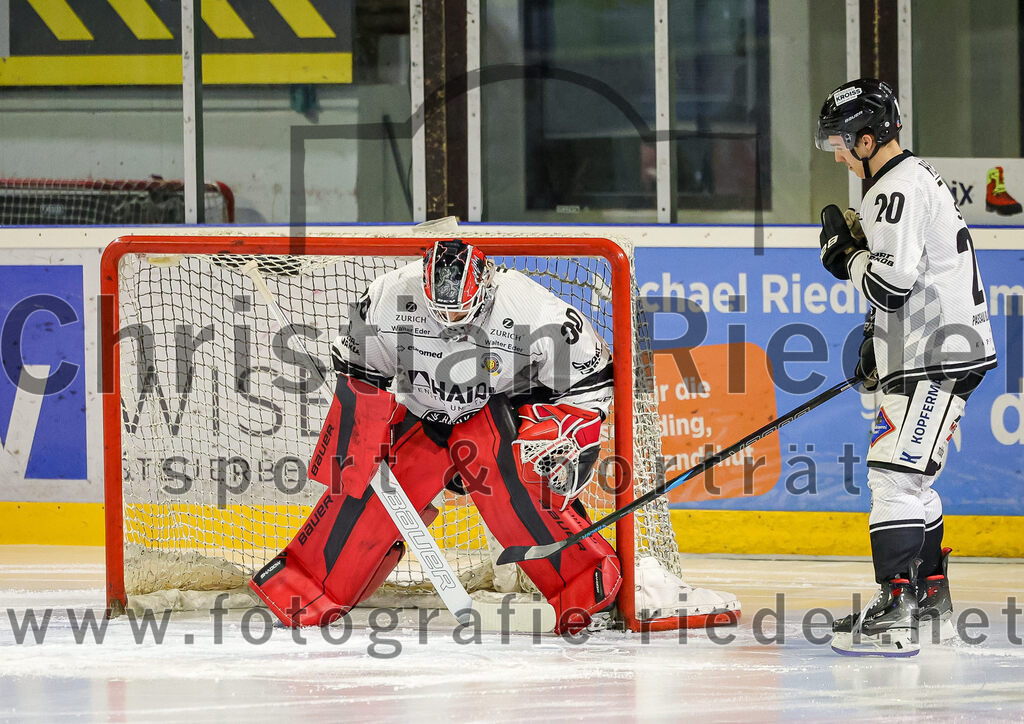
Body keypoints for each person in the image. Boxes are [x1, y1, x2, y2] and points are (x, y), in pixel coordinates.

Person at [250, 238, 737, 634]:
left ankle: (582, 582)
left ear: (483, 286)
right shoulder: (387, 295)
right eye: (442, 315)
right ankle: (306, 583)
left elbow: (591, 380)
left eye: (462, 315)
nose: (451, 325)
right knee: (363, 492)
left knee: (520, 488)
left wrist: (557, 431)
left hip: (498, 417)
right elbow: (358, 368)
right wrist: (360, 437)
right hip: (423, 416)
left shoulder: (528, 304)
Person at [814, 78, 996, 656]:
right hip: (929, 352)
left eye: (842, 141)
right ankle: (928, 592)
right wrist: (878, 340)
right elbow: (910, 283)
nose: (838, 153)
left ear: (868, 138)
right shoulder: (904, 183)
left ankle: (897, 603)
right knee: (911, 478)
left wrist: (846, 257)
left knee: (894, 476)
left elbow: (891, 285)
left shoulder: (894, 189)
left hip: (938, 355)